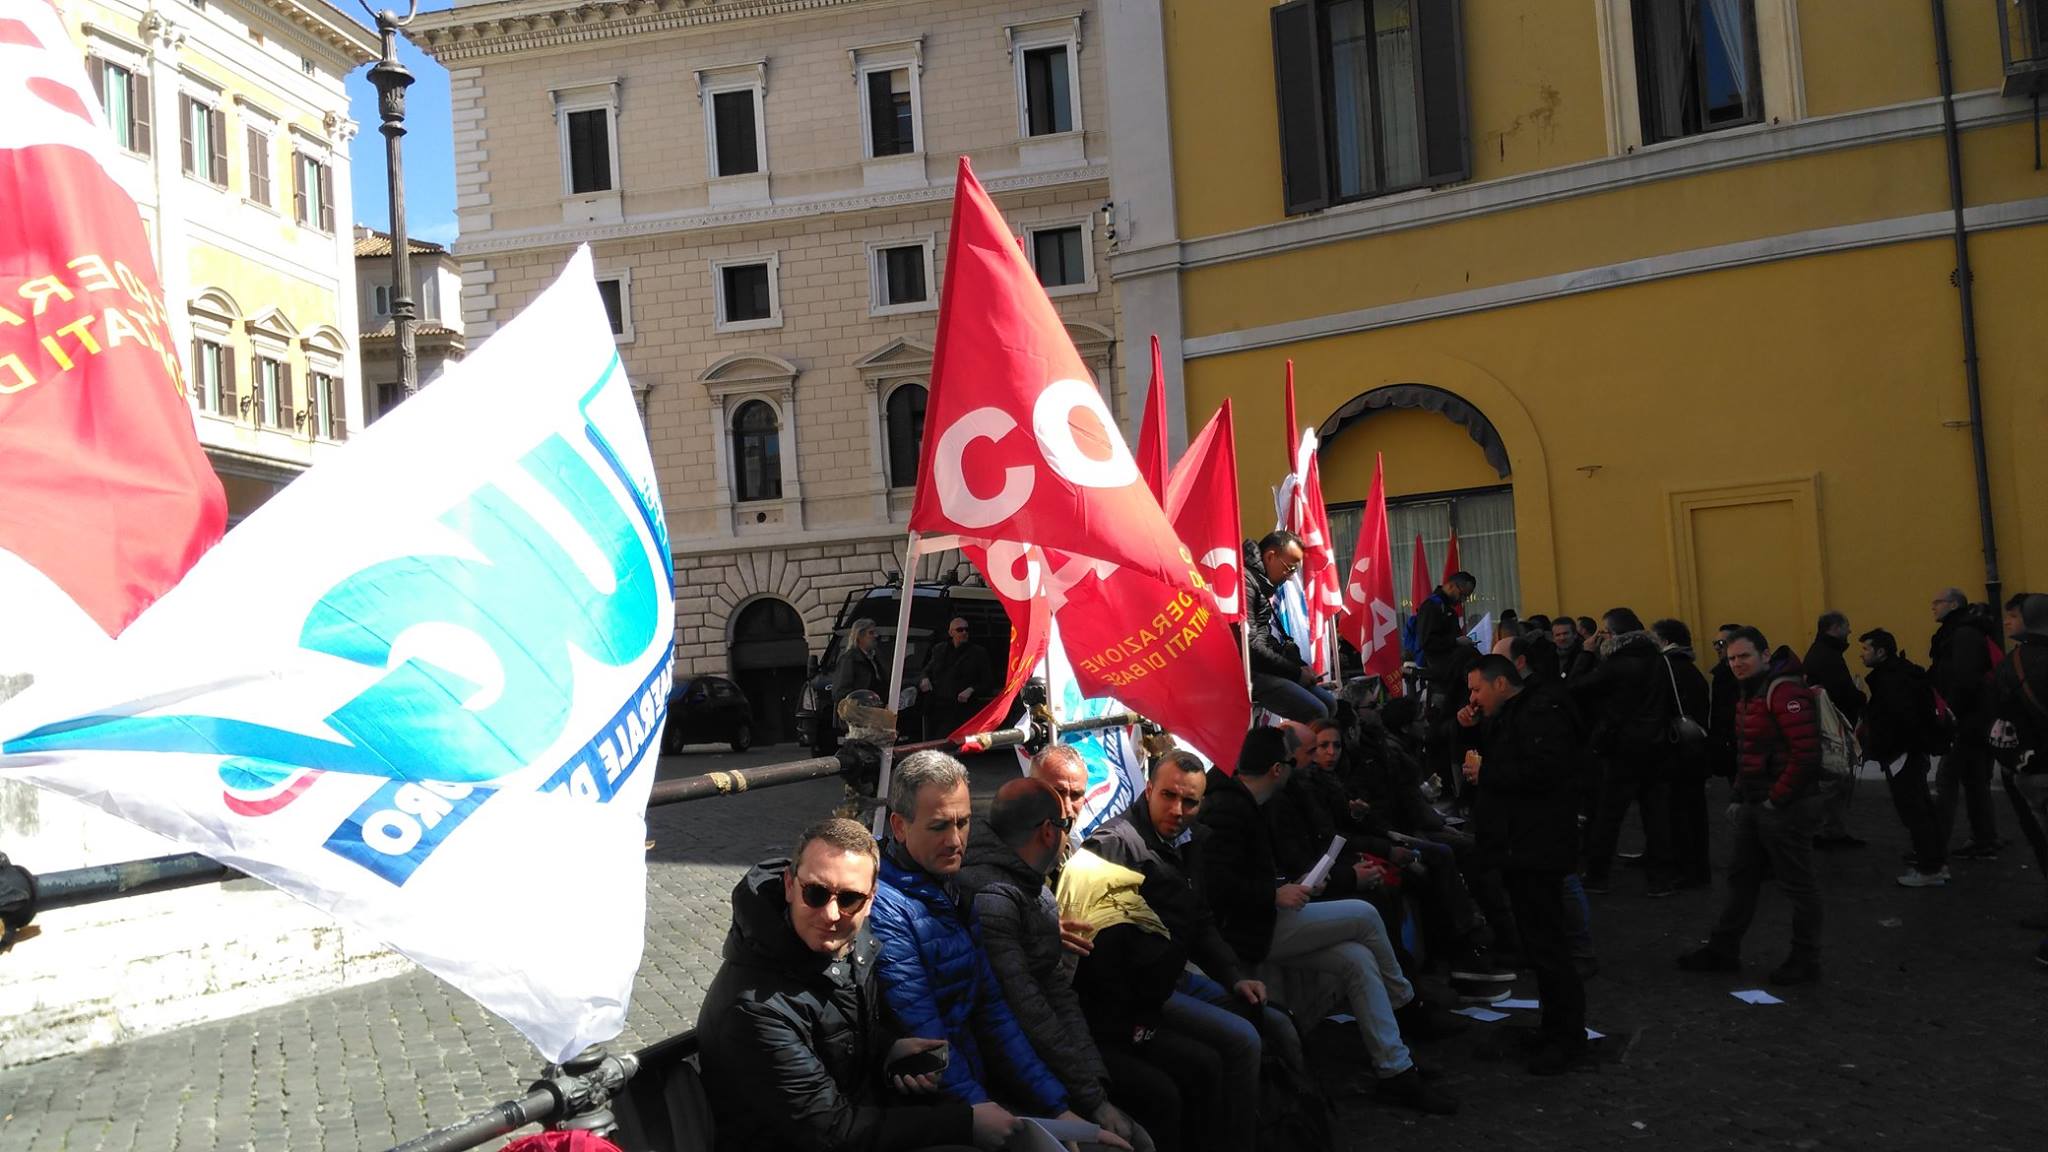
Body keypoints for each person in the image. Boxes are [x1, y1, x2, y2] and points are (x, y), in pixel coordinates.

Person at [868, 751, 1129, 1148]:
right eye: (939, 826)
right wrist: (988, 1111)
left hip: (981, 1085)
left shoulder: (952, 887)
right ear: (900, 827)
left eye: (963, 822)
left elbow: (995, 1011)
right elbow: (927, 1033)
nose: (956, 841)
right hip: (945, 1104)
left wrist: (1057, 1107)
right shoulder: (890, 908)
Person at [1197, 727, 1457, 1114]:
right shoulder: (1229, 809)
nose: (1297, 767)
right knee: (1366, 916)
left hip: (1263, 919)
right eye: (1291, 762)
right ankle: (1407, 1004)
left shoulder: (1249, 802)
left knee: (1357, 959)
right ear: (1275, 769)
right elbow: (1215, 885)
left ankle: (1395, 1069)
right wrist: (1273, 893)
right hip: (1251, 931)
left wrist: (1292, 885)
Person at [697, 817, 985, 1152]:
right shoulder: (754, 1007)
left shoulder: (850, 944)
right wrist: (966, 1124)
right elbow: (831, 1132)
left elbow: (837, 1026)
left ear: (871, 898)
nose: (831, 914)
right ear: (790, 885)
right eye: (816, 893)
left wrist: (887, 1050)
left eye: (849, 899)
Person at [1085, 750, 1303, 1151]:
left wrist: (1234, 976)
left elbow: (1198, 919)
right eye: (1168, 796)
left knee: (1277, 1021)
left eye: (1189, 801)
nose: (1178, 809)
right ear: (1148, 790)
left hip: (1174, 978)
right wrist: (1139, 1018)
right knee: (1241, 1040)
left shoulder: (1191, 840)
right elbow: (1101, 958)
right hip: (1142, 999)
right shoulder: (1114, 848)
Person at [955, 779, 1155, 1152]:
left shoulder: (1034, 889)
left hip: (1044, 1069)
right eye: (1066, 824)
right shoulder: (995, 898)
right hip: (1004, 1079)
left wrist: (1093, 1087)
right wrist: (1085, 1102)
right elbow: (1028, 1013)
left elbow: (1058, 996)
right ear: (1049, 832)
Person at [1455, 655, 1589, 1074]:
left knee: (1549, 946)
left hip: (1537, 846)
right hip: (1517, 845)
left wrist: (1487, 770)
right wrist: (1468, 731)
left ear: (1499, 683)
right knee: (1538, 944)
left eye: (1477, 689)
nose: (1472, 698)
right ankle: (1554, 1028)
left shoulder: (1541, 712)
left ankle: (1567, 1036)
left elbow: (1543, 772)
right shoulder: (1511, 713)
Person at [1678, 628, 1824, 985]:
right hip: (1758, 803)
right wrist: (1739, 795)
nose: (1736, 664)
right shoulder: (1751, 691)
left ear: (1765, 653)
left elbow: (1806, 754)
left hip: (1784, 806)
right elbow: (1752, 752)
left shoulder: (1783, 690)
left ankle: (1805, 959)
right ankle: (1723, 949)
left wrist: (1776, 798)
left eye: (1744, 656)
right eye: (1730, 658)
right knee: (1741, 877)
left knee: (1798, 885)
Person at [1572, 609, 1676, 896]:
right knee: (1656, 814)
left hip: (1622, 747)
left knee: (1608, 815)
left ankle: (1597, 875)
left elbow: (1576, 687)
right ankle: (1661, 879)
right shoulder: (1658, 659)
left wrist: (1585, 654)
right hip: (1656, 745)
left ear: (1614, 633)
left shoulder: (1616, 663)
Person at [1856, 629, 1948, 887]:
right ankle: (1936, 861)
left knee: (1914, 810)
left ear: (1881, 652)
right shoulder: (1902, 674)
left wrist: (1885, 748)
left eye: (1865, 649)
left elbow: (1899, 720)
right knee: (1921, 808)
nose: (1861, 654)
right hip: (1911, 751)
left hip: (1902, 753)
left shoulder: (1892, 681)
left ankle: (1930, 868)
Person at [1989, 594, 2048, 966]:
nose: (2007, 622)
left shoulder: (2014, 664)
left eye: (2013, 616)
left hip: (2034, 768)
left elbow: (2000, 715)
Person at [1930, 587, 2001, 858]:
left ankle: (1933, 847)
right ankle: (1985, 838)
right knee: (1974, 780)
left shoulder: (1961, 634)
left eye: (1937, 602)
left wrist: (1950, 713)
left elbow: (1963, 678)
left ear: (1953, 604)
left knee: (1946, 779)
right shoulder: (1967, 631)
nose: (1933, 607)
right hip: (1978, 717)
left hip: (1966, 718)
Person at [1240, 530, 1333, 722]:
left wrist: (1299, 667)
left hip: (1260, 668)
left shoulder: (1259, 582)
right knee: (1318, 713)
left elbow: (1264, 638)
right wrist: (1296, 672)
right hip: (1247, 674)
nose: (1290, 577)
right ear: (1270, 556)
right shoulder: (1245, 583)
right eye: (1289, 568)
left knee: (1330, 704)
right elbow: (1252, 648)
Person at [1651, 619, 1714, 890]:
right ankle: (1696, 869)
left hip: (1678, 752)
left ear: (1665, 641)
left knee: (1681, 813)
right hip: (1693, 751)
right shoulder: (1689, 668)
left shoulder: (1667, 668)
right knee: (1693, 813)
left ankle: (1688, 870)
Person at [1804, 611, 1868, 850]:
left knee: (1835, 784)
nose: (1850, 631)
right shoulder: (1828, 655)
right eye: (1847, 626)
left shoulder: (1821, 652)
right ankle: (1827, 831)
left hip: (1829, 727)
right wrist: (1860, 697)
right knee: (1834, 783)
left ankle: (1832, 830)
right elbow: (1840, 691)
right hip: (1833, 731)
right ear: (1835, 628)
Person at [920, 618, 995, 740]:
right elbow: (926, 670)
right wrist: (924, 679)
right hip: (938, 707)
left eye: (967, 629)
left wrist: (971, 689)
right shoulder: (939, 650)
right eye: (960, 630)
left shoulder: (978, 653)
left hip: (962, 710)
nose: (964, 632)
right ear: (951, 633)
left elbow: (988, 682)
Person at [1707, 624, 1744, 782]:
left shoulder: (1740, 675)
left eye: (1721, 643)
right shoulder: (1721, 675)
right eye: (1715, 643)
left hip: (1742, 744)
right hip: (1730, 745)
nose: (1717, 648)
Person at [834, 618, 883, 704]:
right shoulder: (849, 659)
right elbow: (841, 692)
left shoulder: (873, 658)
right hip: (858, 713)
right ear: (860, 636)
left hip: (874, 711)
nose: (876, 636)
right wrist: (860, 701)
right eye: (871, 633)